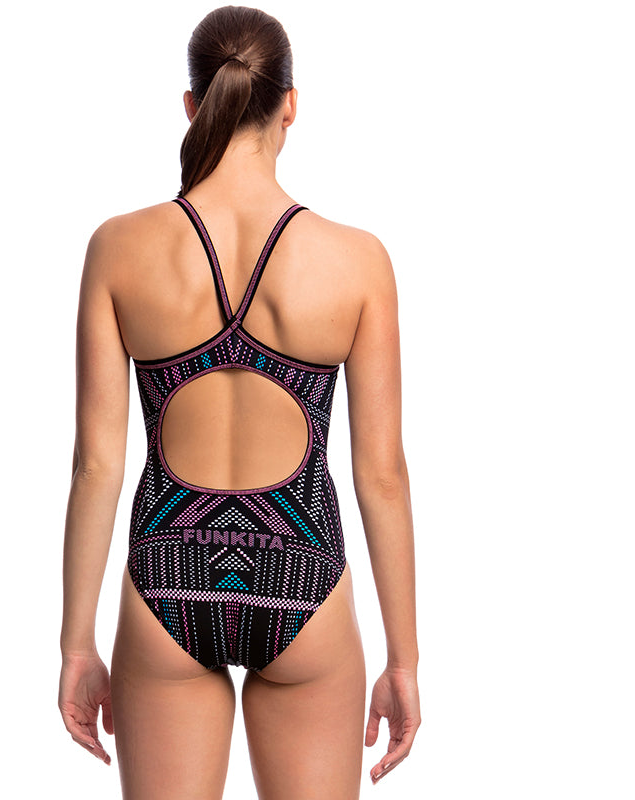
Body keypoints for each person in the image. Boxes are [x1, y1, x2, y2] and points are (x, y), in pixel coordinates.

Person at [58, 6, 420, 798]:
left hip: (166, 579)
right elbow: (383, 475)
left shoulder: (118, 248)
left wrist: (76, 644)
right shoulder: (357, 261)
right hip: (303, 580)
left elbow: (96, 465)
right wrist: (404, 659)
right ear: (291, 104)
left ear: (192, 105)